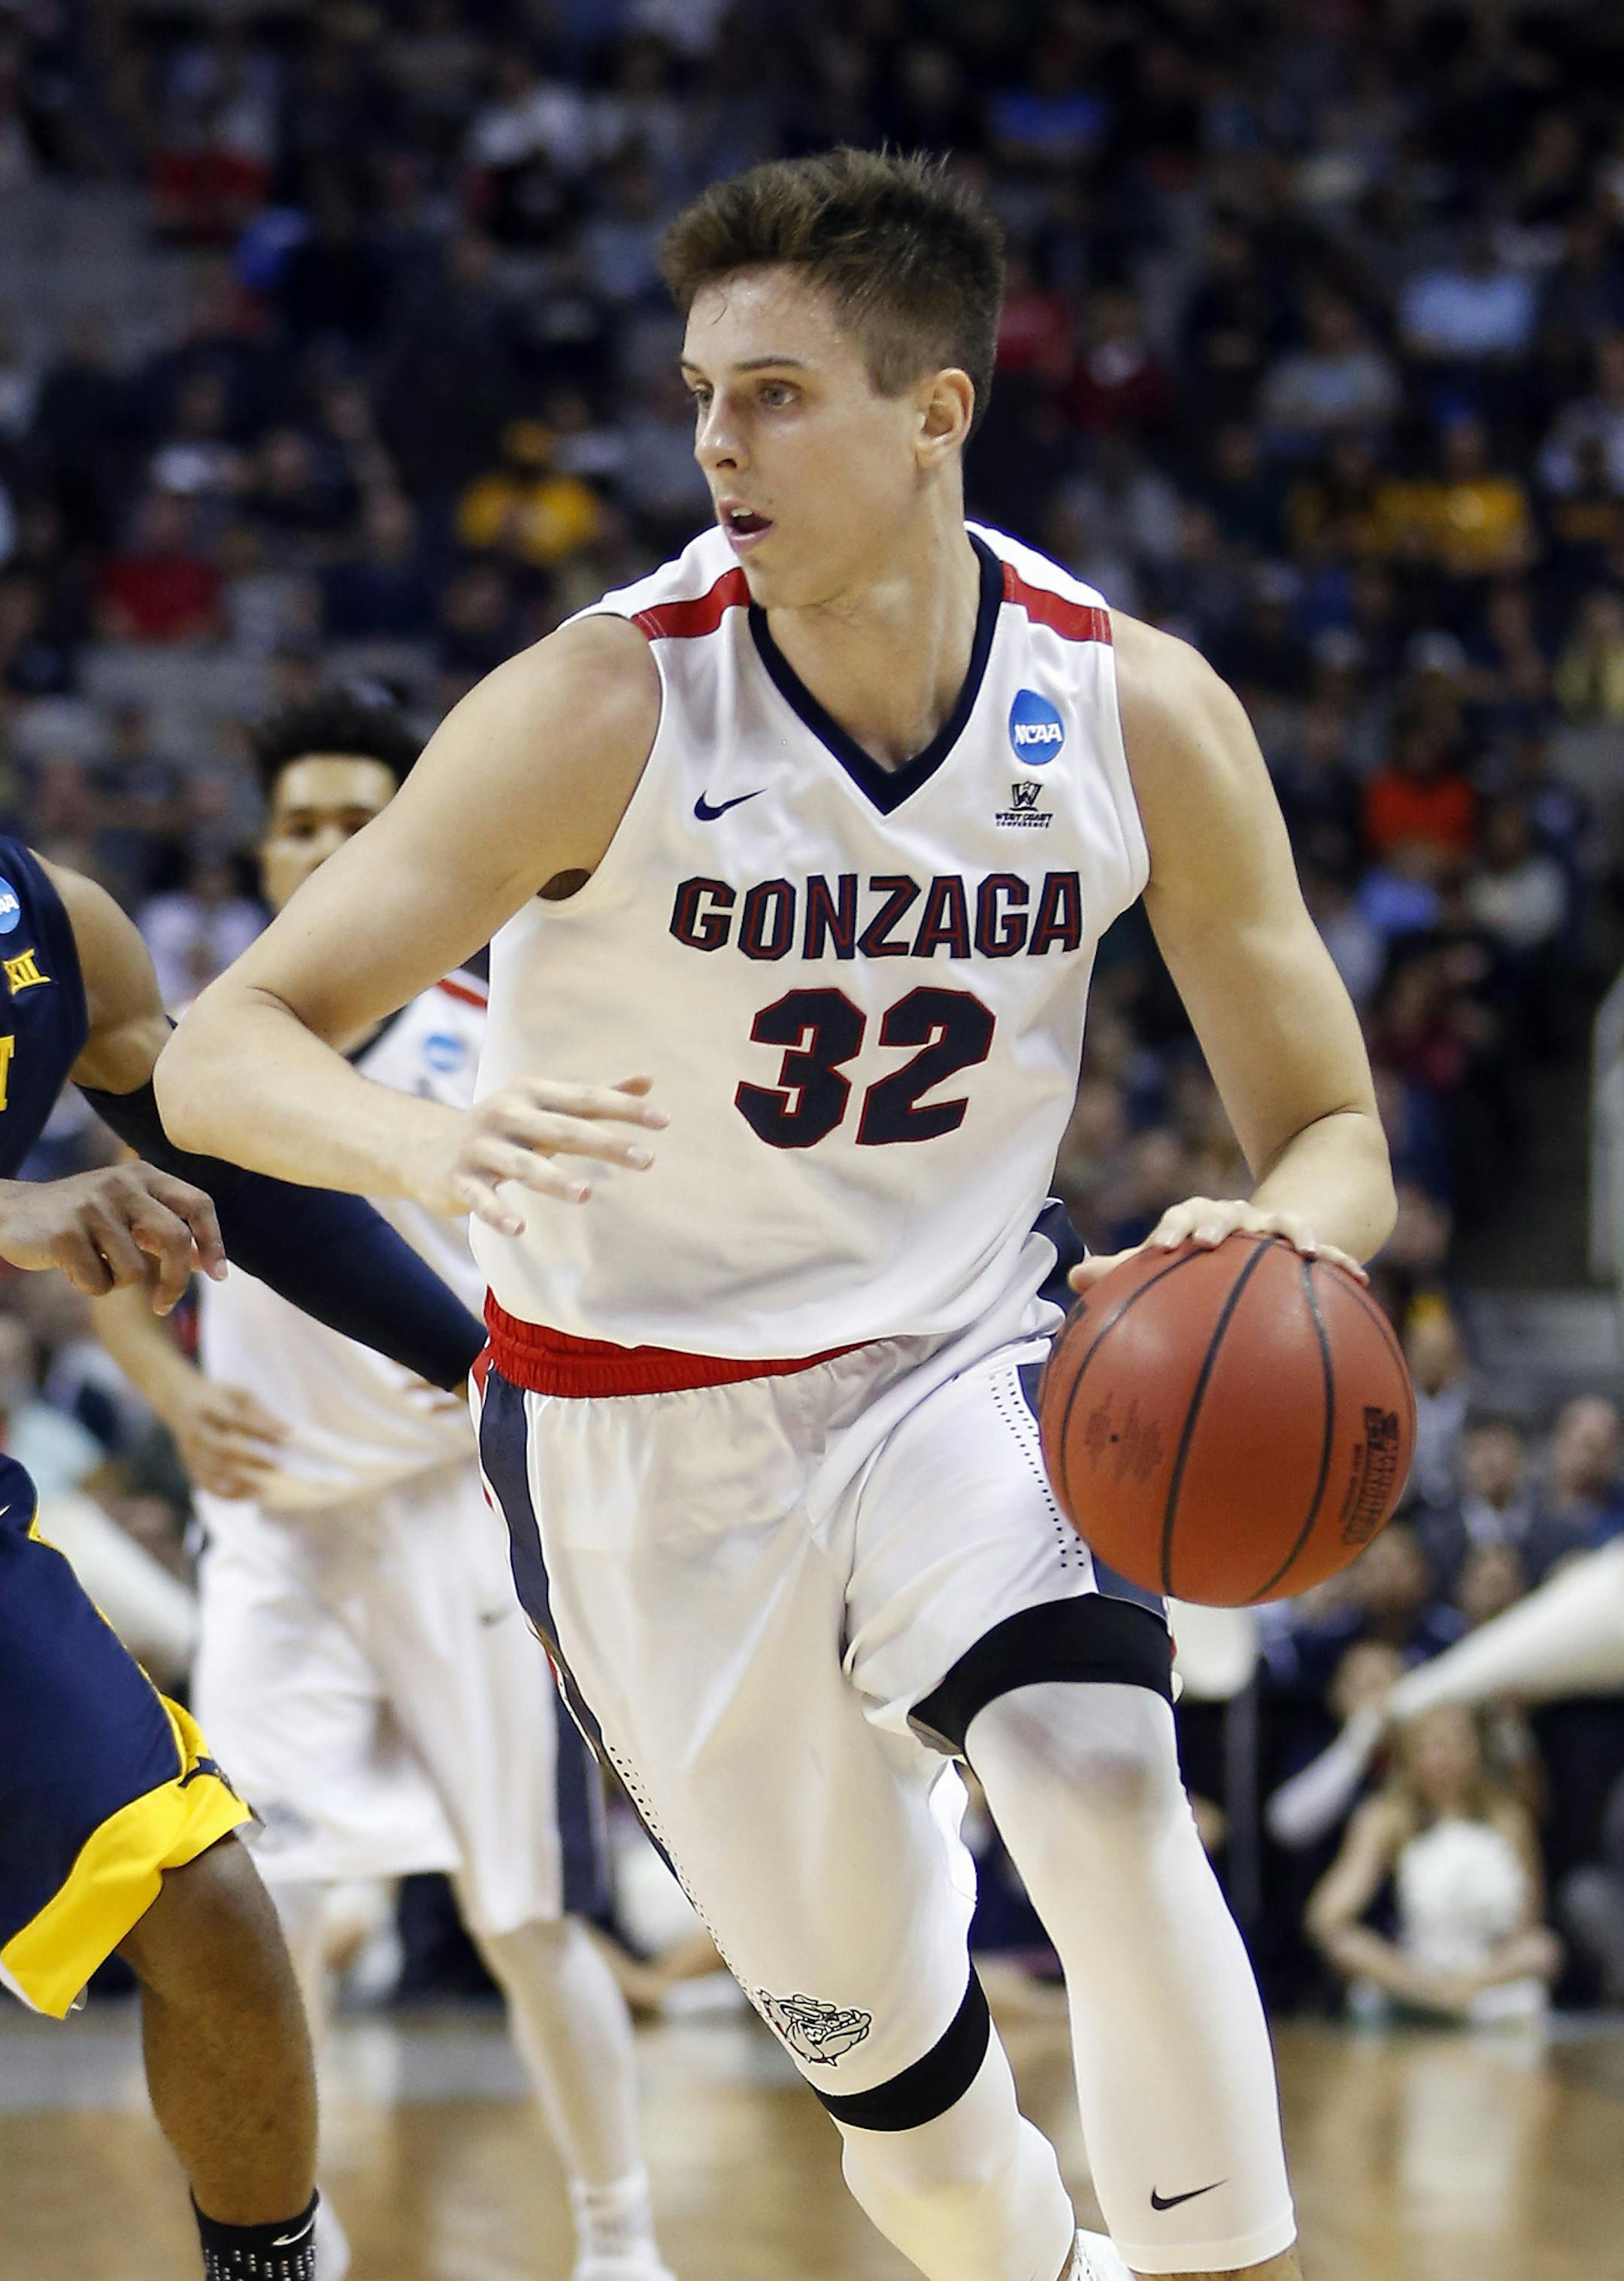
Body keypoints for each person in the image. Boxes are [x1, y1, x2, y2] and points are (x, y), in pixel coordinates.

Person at [159, 150, 1398, 2281]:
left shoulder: (1133, 712)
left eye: (780, 392)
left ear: (938, 412)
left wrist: (1270, 1231)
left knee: (1099, 1783)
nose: (718, 440)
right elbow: (221, 1048)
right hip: (637, 1436)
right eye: (701, 391)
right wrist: (422, 1151)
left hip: (962, 1373)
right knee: (913, 2131)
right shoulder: (603, 701)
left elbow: (1338, 1129)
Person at [99, 686, 674, 2281]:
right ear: (265, 847)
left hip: (453, 1519)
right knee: (235, 1899)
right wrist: (175, 1388)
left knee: (525, 1912)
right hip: (273, 1533)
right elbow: (111, 1226)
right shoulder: (202, 1044)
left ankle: (621, 2238)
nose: (332, 845)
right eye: (303, 822)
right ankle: (292, 2231)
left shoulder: (493, 1031)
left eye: (365, 818)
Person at [0, 825, 490, 2281]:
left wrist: (478, 1367)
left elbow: (220, 1153)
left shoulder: (53, 922)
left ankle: (268, 2265)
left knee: (211, 1902)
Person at [1306, 1703, 1559, 2026]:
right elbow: (1326, 1919)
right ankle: (1435, 1999)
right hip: (1414, 1973)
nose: (1445, 1760)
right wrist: (1418, 1983)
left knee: (1542, 1950)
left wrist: (1475, 1980)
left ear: (1478, 1749)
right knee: (1344, 1947)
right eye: (1431, 1746)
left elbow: (1527, 1924)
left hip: (1488, 1973)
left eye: (1457, 1744)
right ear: (1409, 1754)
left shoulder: (1507, 1817)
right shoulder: (1386, 1817)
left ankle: (1456, 1998)